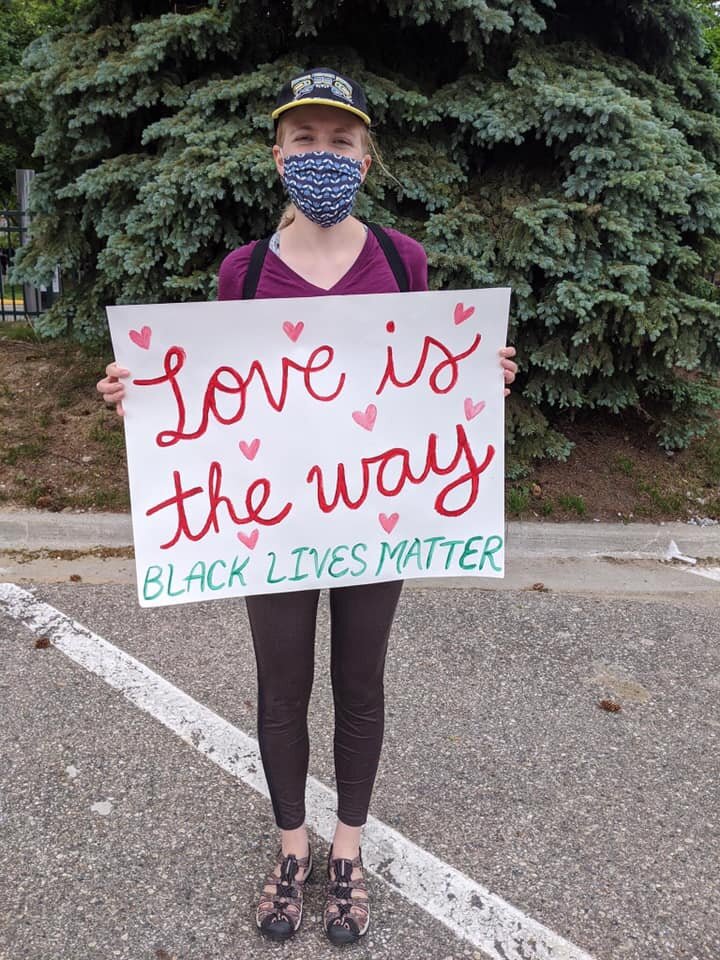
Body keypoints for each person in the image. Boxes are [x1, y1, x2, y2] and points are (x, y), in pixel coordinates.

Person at [97, 67, 518, 947]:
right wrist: (143, 397)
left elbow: (424, 382)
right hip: (274, 524)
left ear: (365, 157)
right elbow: (210, 390)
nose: (322, 153)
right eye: (304, 139)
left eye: (340, 139)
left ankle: (348, 851)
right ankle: (293, 847)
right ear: (277, 155)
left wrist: (480, 378)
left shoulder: (402, 262)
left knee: (360, 683)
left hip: (374, 518)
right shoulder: (244, 273)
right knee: (281, 686)